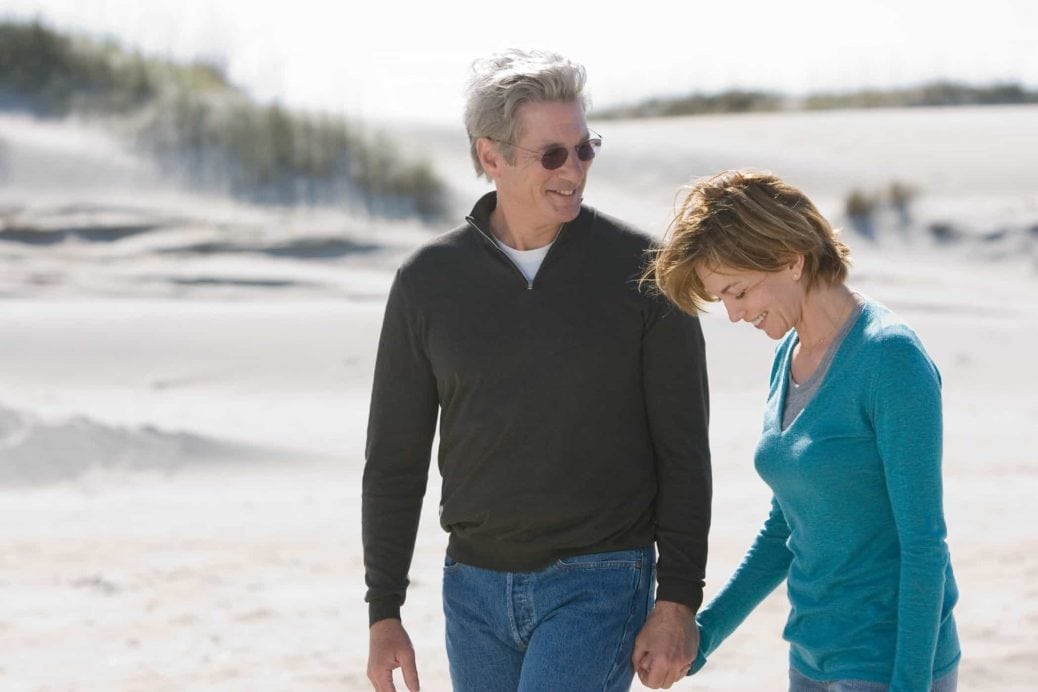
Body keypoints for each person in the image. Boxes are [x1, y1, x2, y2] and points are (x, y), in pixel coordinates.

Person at [362, 49, 712, 692]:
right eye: (553, 154)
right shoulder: (428, 282)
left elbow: (684, 450)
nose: (574, 170)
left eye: (585, 149)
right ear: (490, 156)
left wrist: (678, 600)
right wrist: (384, 610)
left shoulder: (646, 274)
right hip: (472, 592)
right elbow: (394, 458)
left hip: (601, 580)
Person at [647, 169, 961, 691]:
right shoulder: (786, 357)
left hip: (885, 663)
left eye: (738, 291)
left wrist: (910, 685)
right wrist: (703, 636)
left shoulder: (890, 360)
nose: (732, 314)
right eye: (721, 298)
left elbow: (924, 545)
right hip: (811, 655)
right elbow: (786, 526)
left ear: (791, 259)